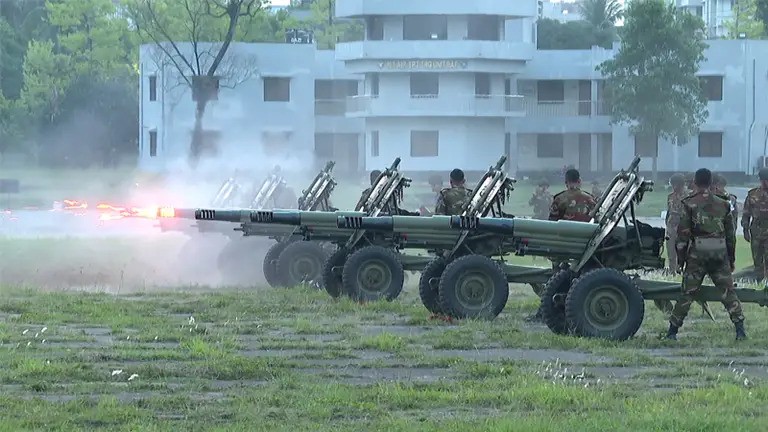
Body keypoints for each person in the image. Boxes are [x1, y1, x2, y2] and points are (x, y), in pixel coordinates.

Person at [667, 168, 746, 341]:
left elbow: (683, 236)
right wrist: (731, 259)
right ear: (711, 183)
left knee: (687, 293)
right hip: (719, 255)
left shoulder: (689, 203)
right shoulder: (724, 204)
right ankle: (740, 330)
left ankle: (672, 332)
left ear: (695, 182)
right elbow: (730, 236)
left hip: (697, 256)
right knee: (728, 292)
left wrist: (680, 261)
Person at [526, 168, 596, 323]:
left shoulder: (559, 199)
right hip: (584, 245)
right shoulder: (590, 199)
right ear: (579, 181)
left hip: (563, 246)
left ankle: (545, 312)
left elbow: (553, 224)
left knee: (555, 279)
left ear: (566, 183)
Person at [741, 167, 768, 279]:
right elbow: (746, 213)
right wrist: (745, 229)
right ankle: (759, 281)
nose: (765, 182)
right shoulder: (752, 194)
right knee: (757, 259)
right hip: (756, 231)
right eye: (763, 180)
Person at [665, 173, 687, 272]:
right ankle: (672, 270)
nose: (674, 187)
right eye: (673, 184)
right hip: (671, 225)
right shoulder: (670, 196)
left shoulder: (687, 196)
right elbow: (668, 211)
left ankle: (681, 269)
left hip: (683, 226)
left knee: (683, 250)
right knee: (671, 250)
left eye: (676, 184)